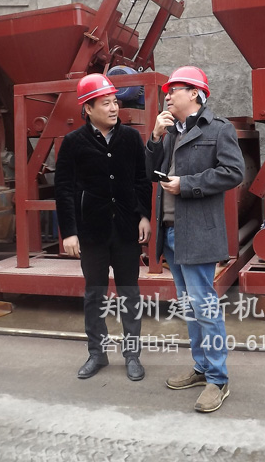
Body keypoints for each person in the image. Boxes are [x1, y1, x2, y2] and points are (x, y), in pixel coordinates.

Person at [145, 66, 245, 413]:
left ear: (195, 93)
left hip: (198, 232)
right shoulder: (170, 131)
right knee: (190, 307)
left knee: (204, 306)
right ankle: (202, 368)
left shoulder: (218, 129)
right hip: (170, 230)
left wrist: (187, 184)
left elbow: (233, 172)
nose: (168, 96)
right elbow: (149, 173)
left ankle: (218, 379)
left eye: (174, 90)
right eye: (167, 91)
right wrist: (155, 137)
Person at [55, 73, 152, 381]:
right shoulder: (73, 143)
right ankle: (97, 354)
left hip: (125, 230)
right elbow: (64, 189)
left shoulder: (131, 139)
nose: (113, 108)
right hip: (91, 232)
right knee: (94, 295)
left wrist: (144, 216)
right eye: (105, 103)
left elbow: (142, 180)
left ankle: (132, 355)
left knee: (129, 294)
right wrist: (70, 232)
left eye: (115, 102)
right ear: (88, 108)